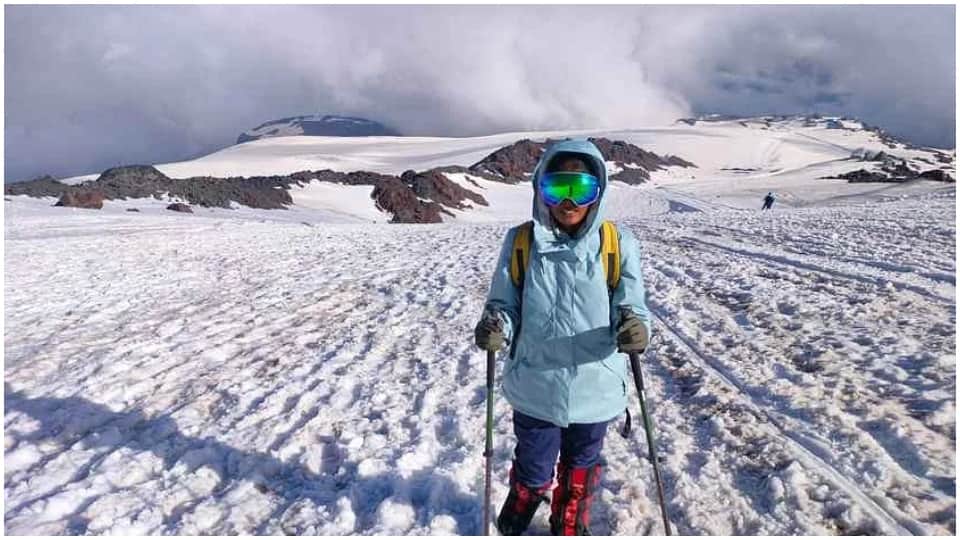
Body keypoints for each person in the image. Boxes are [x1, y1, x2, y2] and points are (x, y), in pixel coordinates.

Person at [474, 139, 653, 535]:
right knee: (535, 463)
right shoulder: (522, 241)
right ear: (541, 189)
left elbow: (633, 304)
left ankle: (569, 517)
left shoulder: (617, 243)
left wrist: (637, 328)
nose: (568, 203)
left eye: (582, 190)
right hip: (536, 382)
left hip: (596, 382)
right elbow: (504, 302)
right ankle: (527, 492)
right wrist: (496, 325)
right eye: (557, 189)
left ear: (599, 192)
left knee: (581, 464)